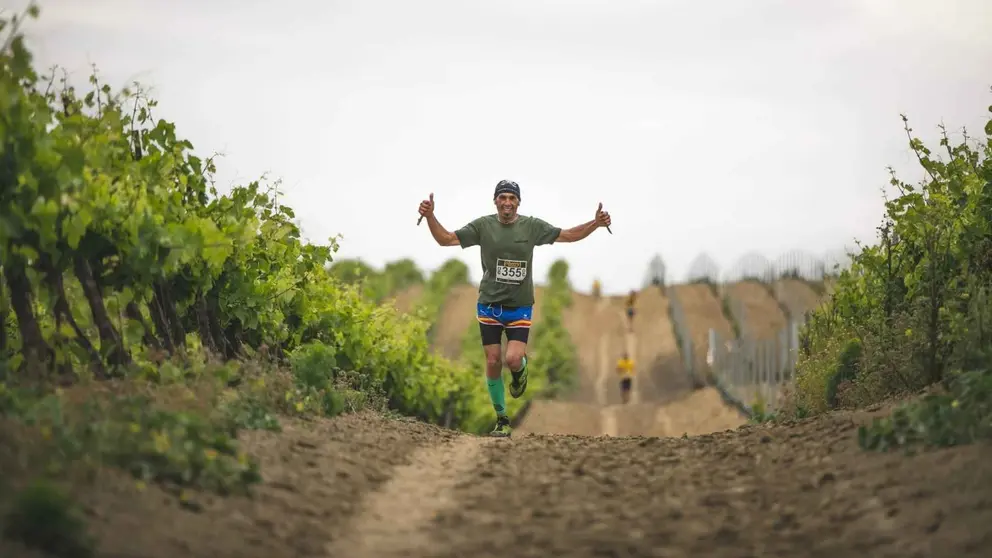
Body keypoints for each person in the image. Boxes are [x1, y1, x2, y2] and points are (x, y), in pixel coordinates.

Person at [418, 180, 612, 437]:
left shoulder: (531, 227)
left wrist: (595, 224)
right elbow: (446, 239)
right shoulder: (483, 226)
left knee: (512, 359)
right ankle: (502, 419)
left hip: (519, 306)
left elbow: (568, 235)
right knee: (493, 360)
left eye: (512, 198)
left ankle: (521, 371)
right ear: (495, 201)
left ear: (518, 202)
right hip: (489, 305)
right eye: (503, 198)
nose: (507, 202)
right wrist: (430, 216)